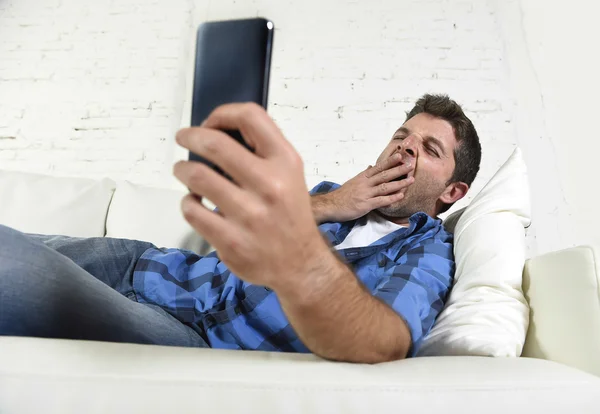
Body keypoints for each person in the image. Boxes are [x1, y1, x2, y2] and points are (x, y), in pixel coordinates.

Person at [0, 94, 481, 363]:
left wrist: (302, 255)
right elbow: (228, 226)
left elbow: (385, 340)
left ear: (452, 193)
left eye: (430, 149)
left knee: (15, 269)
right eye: (401, 136)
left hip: (192, 333)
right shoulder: (332, 194)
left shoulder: (427, 250)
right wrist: (334, 203)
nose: (405, 148)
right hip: (149, 265)